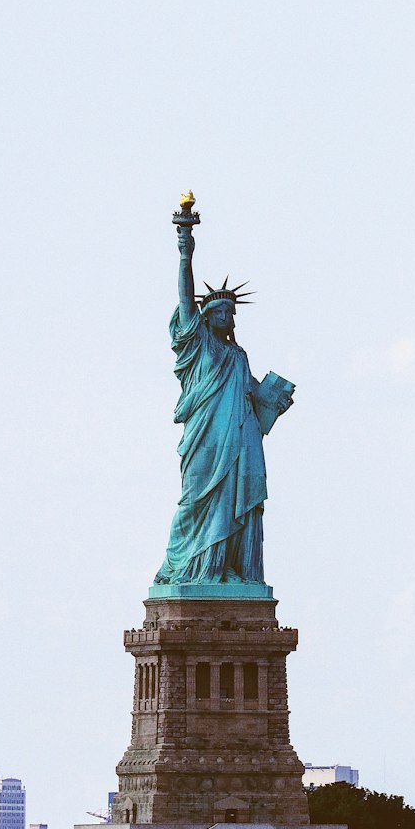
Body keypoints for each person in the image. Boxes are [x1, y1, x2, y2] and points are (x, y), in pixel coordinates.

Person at [155, 209, 294, 585]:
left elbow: (253, 396)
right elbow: (186, 298)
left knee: (237, 503)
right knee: (195, 499)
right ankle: (188, 569)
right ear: (207, 316)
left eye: (232, 312)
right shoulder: (198, 347)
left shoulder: (237, 355)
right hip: (206, 438)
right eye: (222, 311)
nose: (228, 317)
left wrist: (273, 397)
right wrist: (186, 253)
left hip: (240, 438)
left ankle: (226, 569)